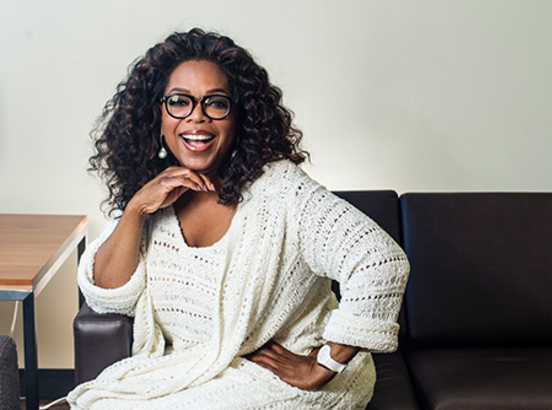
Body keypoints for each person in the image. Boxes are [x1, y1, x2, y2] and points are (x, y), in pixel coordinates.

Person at [67, 28, 409, 410]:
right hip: (197, 373)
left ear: (239, 116)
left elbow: (381, 262)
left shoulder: (281, 189)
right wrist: (134, 210)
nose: (197, 117)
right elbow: (108, 296)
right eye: (179, 101)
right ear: (156, 115)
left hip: (286, 381)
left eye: (216, 103)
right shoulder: (150, 194)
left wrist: (324, 364)